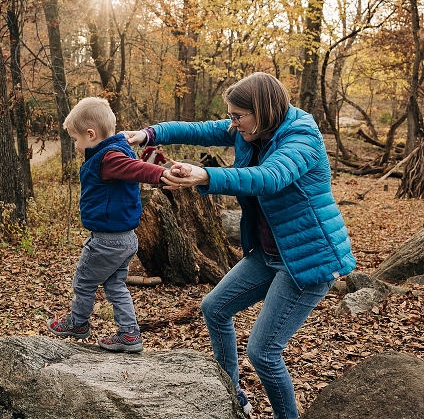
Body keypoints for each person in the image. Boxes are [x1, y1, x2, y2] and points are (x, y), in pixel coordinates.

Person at [123, 72, 356, 418]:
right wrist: (150, 133)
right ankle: (234, 396)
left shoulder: (302, 137)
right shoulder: (250, 127)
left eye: (237, 116)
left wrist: (206, 175)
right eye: (230, 116)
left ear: (262, 110)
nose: (232, 124)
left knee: (263, 352)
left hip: (309, 257)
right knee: (214, 308)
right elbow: (198, 129)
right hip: (270, 252)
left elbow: (268, 178)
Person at [47, 97, 190, 353]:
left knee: (83, 281)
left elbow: (136, 169)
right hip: (125, 239)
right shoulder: (117, 150)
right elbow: (133, 165)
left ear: (91, 135)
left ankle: (78, 323)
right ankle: (129, 334)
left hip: (106, 240)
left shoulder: (109, 158)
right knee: (115, 286)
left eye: (76, 139)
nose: (76, 145)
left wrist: (161, 174)